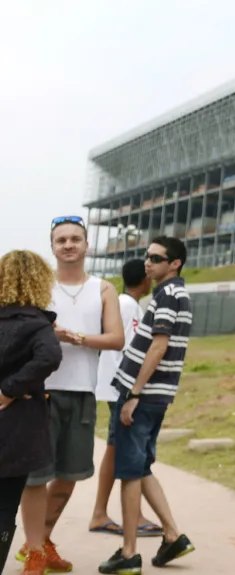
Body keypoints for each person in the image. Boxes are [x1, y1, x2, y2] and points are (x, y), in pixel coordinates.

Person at [16, 215, 125, 574]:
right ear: (52, 246)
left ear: (86, 244)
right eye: (61, 239)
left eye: (75, 238)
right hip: (41, 393)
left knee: (70, 474)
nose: (68, 244)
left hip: (82, 394)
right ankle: (34, 551)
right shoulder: (41, 288)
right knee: (36, 477)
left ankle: (41, 540)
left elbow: (116, 338)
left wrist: (72, 336)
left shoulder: (103, 289)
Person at [99, 237, 196, 574]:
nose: (148, 263)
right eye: (146, 257)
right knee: (140, 466)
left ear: (175, 263)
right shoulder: (174, 294)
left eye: (156, 258)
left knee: (128, 472)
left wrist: (134, 394)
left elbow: (158, 347)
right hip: (157, 395)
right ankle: (172, 535)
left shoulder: (168, 295)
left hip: (144, 395)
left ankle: (128, 553)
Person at [90, 258, 163, 538]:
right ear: (144, 280)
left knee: (114, 447)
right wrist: (136, 391)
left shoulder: (120, 302)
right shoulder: (129, 305)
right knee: (129, 451)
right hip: (122, 388)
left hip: (114, 385)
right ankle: (115, 513)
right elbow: (134, 351)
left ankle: (101, 511)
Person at [0, 250, 63, 575]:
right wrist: (10, 390)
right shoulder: (37, 325)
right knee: (5, 505)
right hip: (18, 426)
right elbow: (49, 358)